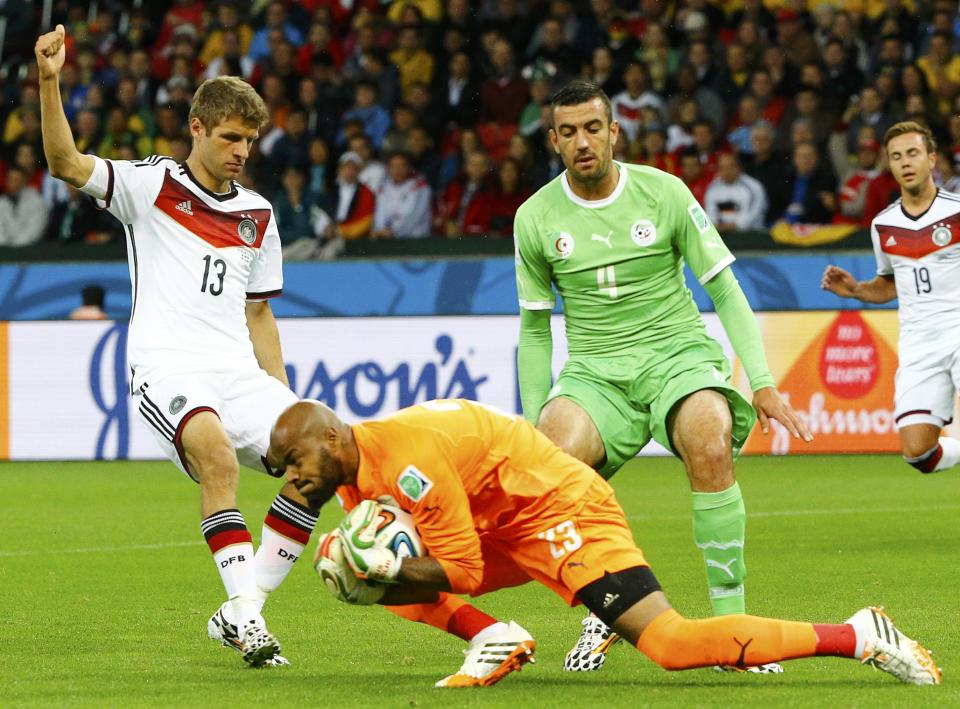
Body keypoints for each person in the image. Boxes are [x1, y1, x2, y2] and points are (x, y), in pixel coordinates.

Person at [268, 398, 941, 687]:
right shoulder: (355, 476)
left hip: (561, 509)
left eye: (294, 459)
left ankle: (858, 634)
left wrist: (382, 566)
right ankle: (493, 638)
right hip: (507, 518)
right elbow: (435, 569)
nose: (293, 478)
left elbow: (463, 568)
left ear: (331, 437)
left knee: (672, 645)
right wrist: (379, 576)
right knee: (389, 585)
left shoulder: (409, 459)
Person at [512, 80, 812, 673]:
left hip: (677, 358)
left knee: (707, 435)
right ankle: (609, 613)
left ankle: (736, 633)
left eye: (592, 128)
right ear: (553, 141)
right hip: (595, 373)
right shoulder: (534, 218)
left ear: (614, 131)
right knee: (555, 459)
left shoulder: (665, 192)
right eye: (568, 132)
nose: (582, 141)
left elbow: (723, 289)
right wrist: (531, 421)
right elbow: (535, 329)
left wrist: (763, 380)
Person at [37, 25, 311, 668]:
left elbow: (260, 312)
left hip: (239, 370)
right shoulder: (150, 186)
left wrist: (285, 397)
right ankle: (251, 624)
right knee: (219, 459)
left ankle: (240, 610)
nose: (243, 150)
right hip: (167, 366)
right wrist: (50, 83)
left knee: (322, 452)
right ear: (196, 127)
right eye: (230, 137)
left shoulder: (260, 215)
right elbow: (65, 164)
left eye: (250, 139)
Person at [822, 121, 960, 475]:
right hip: (919, 344)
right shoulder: (883, 224)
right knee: (918, 454)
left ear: (932, 159)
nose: (905, 162)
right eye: (896, 156)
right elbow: (890, 284)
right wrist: (855, 290)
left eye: (913, 153)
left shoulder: (956, 210)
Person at [704, 152, 768, 232]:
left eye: (730, 167)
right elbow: (710, 212)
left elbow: (754, 213)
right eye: (722, 168)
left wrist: (736, 225)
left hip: (750, 234)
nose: (726, 171)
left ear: (738, 168)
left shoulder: (754, 187)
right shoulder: (712, 188)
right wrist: (716, 224)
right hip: (721, 234)